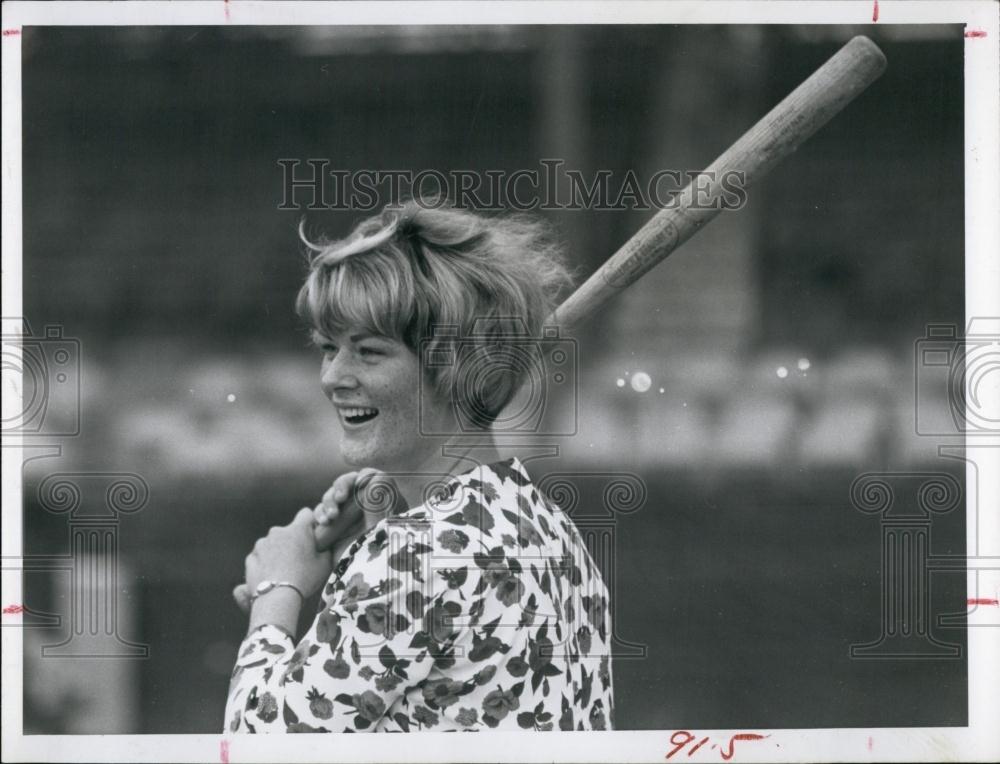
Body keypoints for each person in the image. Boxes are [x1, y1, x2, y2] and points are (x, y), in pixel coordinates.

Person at [224, 200, 614, 733]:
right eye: (327, 348)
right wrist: (385, 523)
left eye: (368, 352)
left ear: (453, 366)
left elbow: (256, 747)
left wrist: (278, 590)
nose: (332, 376)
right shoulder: (548, 525)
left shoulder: (412, 558)